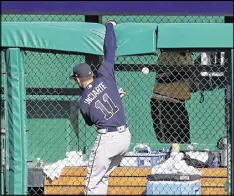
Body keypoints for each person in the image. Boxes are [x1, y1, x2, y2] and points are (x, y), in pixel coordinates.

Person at [69, 20, 131, 195]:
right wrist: (110, 26)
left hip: (107, 140)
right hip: (125, 138)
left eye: (75, 79)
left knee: (92, 182)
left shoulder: (83, 102)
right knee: (102, 178)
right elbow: (110, 51)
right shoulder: (105, 76)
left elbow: (91, 121)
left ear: (78, 79)